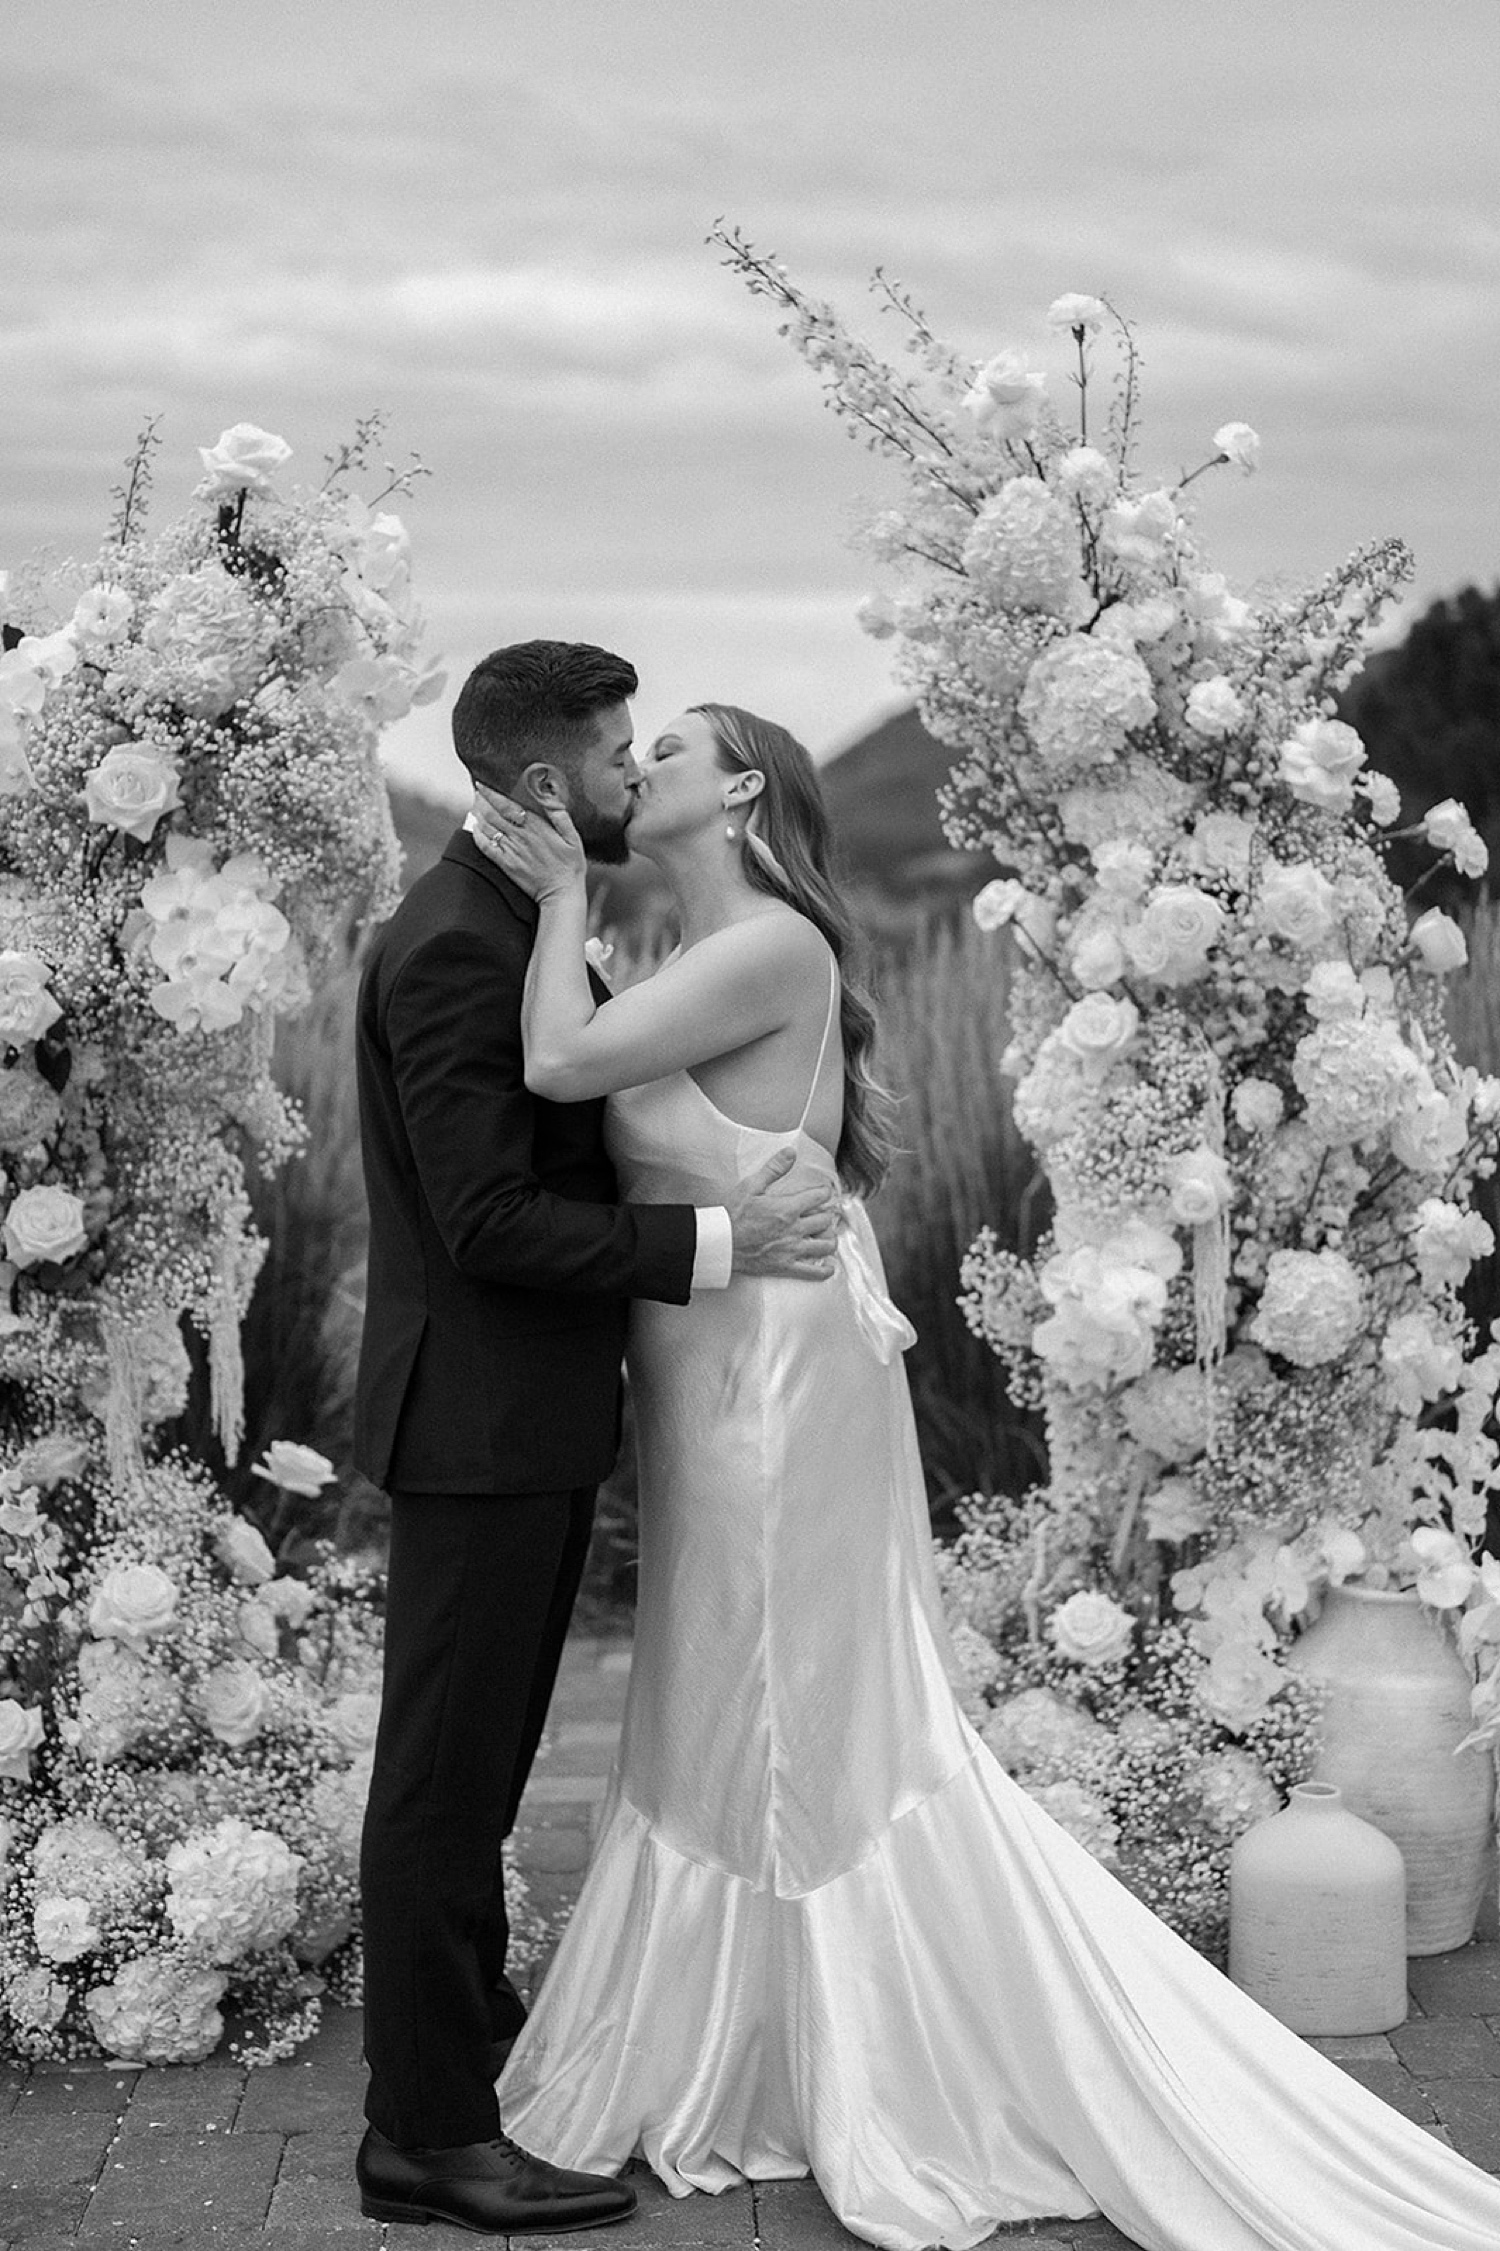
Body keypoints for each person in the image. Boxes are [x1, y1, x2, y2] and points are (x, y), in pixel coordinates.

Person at [468, 700, 1500, 2251]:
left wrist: (554, 902)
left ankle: (851, 2048)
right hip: (701, 1372)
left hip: (773, 1379)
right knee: (710, 1696)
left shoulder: (772, 949)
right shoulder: (690, 955)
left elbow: (556, 1063)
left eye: (672, 747)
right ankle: (730, 2039)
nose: (646, 768)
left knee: (785, 1702)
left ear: (743, 785)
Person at [350, 646, 841, 2235]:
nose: (639, 779)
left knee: (480, 1776)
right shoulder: (452, 947)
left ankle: (469, 2049)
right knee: (440, 1783)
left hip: (534, 1419)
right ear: (553, 787)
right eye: (625, 757)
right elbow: (488, 1219)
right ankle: (425, 2137)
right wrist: (711, 1254)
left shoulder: (514, 927)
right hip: (481, 1422)